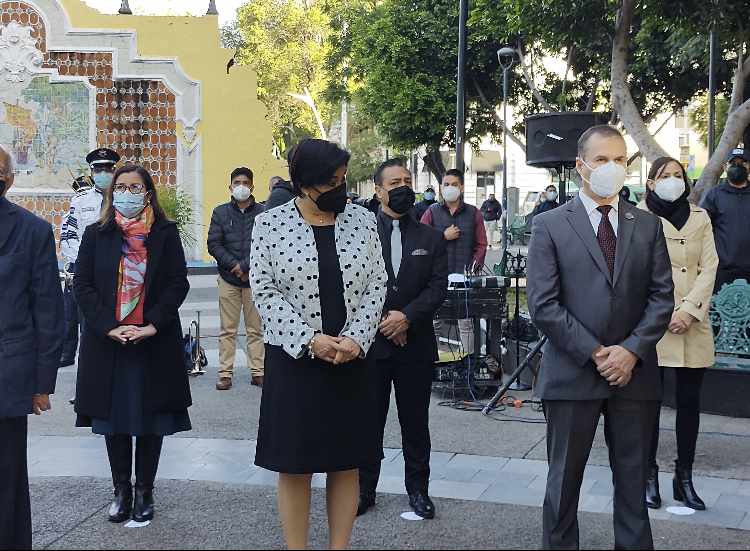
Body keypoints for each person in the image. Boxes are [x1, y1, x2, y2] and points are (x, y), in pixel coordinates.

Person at [526, 125, 674, 550]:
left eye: (621, 159)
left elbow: (662, 297)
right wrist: (596, 353)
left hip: (635, 377)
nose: (613, 168)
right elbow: (544, 305)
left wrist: (630, 352)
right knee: (563, 485)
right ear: (580, 166)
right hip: (572, 375)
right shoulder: (550, 225)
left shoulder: (647, 225)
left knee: (633, 485)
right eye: (603, 159)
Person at [250, 138, 387, 550]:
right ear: (305, 183)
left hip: (351, 359)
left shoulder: (362, 220)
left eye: (343, 180)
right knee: (295, 465)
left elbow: (378, 283)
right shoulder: (270, 224)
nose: (340, 189)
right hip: (295, 361)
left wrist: (356, 339)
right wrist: (310, 340)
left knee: (346, 463)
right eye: (332, 181)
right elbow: (265, 290)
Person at [74, 165, 192, 524]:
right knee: (116, 420)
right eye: (121, 187)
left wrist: (153, 323)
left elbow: (177, 283)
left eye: (135, 187)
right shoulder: (97, 234)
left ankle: (145, 491)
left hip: (151, 341)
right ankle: (122, 490)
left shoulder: (165, 233)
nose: (126, 193)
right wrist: (109, 326)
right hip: (110, 343)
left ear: (148, 192)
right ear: (112, 193)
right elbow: (83, 285)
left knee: (152, 419)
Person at [358, 159, 448, 519]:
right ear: (378, 190)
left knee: (415, 423)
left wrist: (406, 318)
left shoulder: (430, 236)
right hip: (372, 346)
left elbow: (438, 286)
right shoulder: (360, 233)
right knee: (368, 422)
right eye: (394, 182)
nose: (403, 187)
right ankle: (365, 490)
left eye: (408, 181)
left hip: (416, 345)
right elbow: (353, 285)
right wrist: (384, 322)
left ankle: (419, 491)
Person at [638, 157, 718, 511]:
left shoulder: (700, 217)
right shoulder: (637, 217)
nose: (672, 181)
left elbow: (709, 266)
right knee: (649, 404)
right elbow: (636, 271)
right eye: (663, 176)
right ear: (651, 183)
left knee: (689, 404)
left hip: (692, 323)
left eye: (677, 175)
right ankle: (648, 474)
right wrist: (667, 311)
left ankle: (684, 476)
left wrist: (687, 310)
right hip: (655, 325)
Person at [0, 143, 65, 550]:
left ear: (7, 180)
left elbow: (48, 311)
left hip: (7, 375)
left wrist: (43, 383)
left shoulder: (33, 230)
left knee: (7, 481)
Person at [59, 148, 120, 368]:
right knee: (87, 329)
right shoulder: (80, 202)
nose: (104, 173)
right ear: (92, 173)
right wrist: (85, 263)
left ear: (115, 171)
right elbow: (68, 235)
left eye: (108, 169)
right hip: (87, 273)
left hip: (117, 274)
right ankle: (86, 387)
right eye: (99, 169)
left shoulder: (123, 199)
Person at [207, 167, 266, 390]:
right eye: (237, 182)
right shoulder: (220, 212)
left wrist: (247, 267)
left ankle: (258, 372)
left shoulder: (263, 211)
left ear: (252, 186)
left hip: (255, 279)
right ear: (230, 186)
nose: (241, 186)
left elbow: (265, 244)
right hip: (228, 279)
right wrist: (235, 266)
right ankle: (225, 374)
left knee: (255, 329)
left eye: (245, 182)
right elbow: (214, 244)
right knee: (228, 329)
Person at [421, 169, 487, 354]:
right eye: (447, 184)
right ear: (441, 187)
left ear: (462, 188)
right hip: (437, 278)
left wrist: (474, 268)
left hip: (463, 278)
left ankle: (468, 364)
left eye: (455, 184)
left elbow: (481, 244)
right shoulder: (431, 212)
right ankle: (431, 364)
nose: (450, 188)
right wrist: (443, 237)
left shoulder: (474, 213)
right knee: (434, 322)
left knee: (466, 324)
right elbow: (421, 243)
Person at [698, 147, 750, 293]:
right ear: (725, 167)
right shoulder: (712, 196)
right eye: (733, 164)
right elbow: (701, 230)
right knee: (723, 313)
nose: (738, 167)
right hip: (722, 272)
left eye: (743, 162)